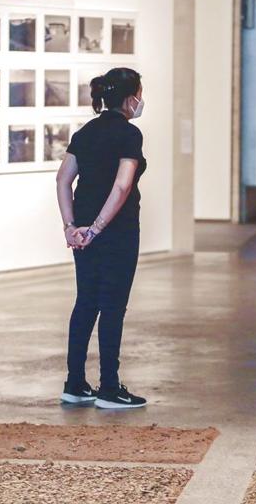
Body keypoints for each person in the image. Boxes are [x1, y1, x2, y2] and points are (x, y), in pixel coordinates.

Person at [55, 67, 148, 409]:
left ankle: (75, 384)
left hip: (82, 234)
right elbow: (122, 185)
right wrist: (97, 228)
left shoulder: (85, 132)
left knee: (85, 303)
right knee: (112, 307)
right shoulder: (129, 134)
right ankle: (110, 387)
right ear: (130, 98)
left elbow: (63, 180)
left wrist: (71, 227)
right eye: (140, 92)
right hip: (116, 232)